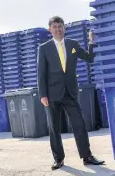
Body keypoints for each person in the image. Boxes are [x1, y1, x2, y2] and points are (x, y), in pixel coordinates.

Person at [37, 16, 105, 170]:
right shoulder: (44, 48)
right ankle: (58, 159)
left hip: (70, 92)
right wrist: (43, 95)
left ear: (64, 27)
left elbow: (88, 58)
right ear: (50, 29)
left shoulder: (73, 44)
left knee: (79, 124)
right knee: (54, 128)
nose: (58, 29)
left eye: (60, 26)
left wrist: (92, 43)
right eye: (54, 27)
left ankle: (87, 156)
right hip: (52, 93)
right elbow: (41, 73)